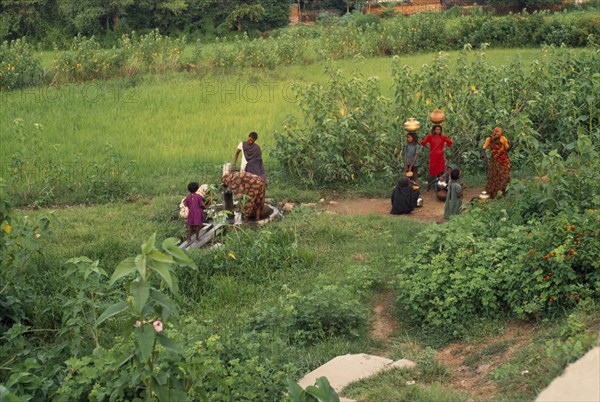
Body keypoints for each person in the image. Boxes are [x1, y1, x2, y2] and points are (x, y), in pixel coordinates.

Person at [420, 125, 453, 190]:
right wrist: (429, 147)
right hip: (433, 156)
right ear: (434, 130)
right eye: (436, 129)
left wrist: (445, 147)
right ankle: (429, 187)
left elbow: (450, 142)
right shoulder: (430, 137)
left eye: (439, 129)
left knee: (441, 171)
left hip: (440, 156)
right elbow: (423, 142)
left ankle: (440, 187)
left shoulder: (443, 137)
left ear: (441, 130)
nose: (438, 131)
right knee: (432, 171)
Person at [483, 126, 511, 198]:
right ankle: (494, 194)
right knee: (494, 177)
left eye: (498, 131)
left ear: (501, 132)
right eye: (495, 131)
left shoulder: (503, 139)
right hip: (494, 161)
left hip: (503, 161)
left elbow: (507, 149)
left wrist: (511, 145)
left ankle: (503, 193)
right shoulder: (489, 139)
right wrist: (485, 157)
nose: (496, 132)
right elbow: (483, 149)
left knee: (503, 176)